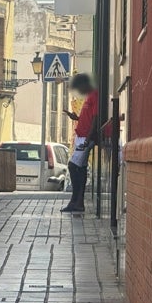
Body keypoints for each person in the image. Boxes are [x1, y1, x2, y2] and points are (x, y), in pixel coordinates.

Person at [60, 73, 98, 213]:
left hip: (85, 138)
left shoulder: (95, 95)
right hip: (81, 136)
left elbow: (95, 117)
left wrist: (89, 138)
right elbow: (88, 117)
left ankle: (76, 200)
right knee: (79, 168)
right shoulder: (89, 96)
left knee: (72, 166)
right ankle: (77, 202)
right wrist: (75, 117)